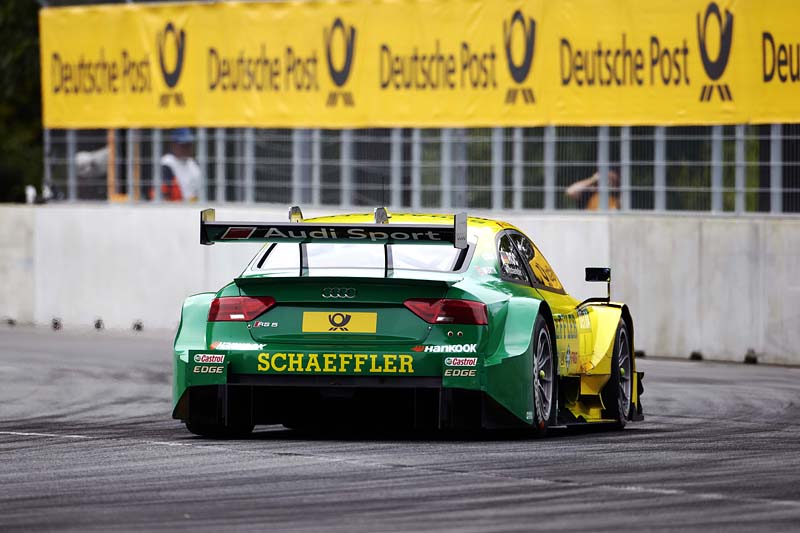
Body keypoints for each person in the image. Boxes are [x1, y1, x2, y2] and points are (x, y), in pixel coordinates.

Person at [158, 128, 201, 201]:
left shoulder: (193, 164)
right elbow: (163, 195)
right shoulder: (166, 164)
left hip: (193, 205)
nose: (186, 148)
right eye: (183, 145)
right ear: (173, 145)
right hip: (173, 206)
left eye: (188, 145)